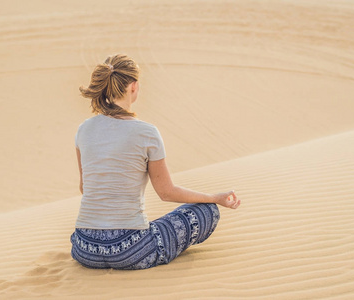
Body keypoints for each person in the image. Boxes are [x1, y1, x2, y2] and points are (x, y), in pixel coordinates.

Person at [70, 54, 241, 270]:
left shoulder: (83, 130)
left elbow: (85, 188)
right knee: (207, 211)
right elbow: (166, 192)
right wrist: (214, 198)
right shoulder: (146, 133)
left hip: (85, 249)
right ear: (134, 86)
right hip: (129, 251)